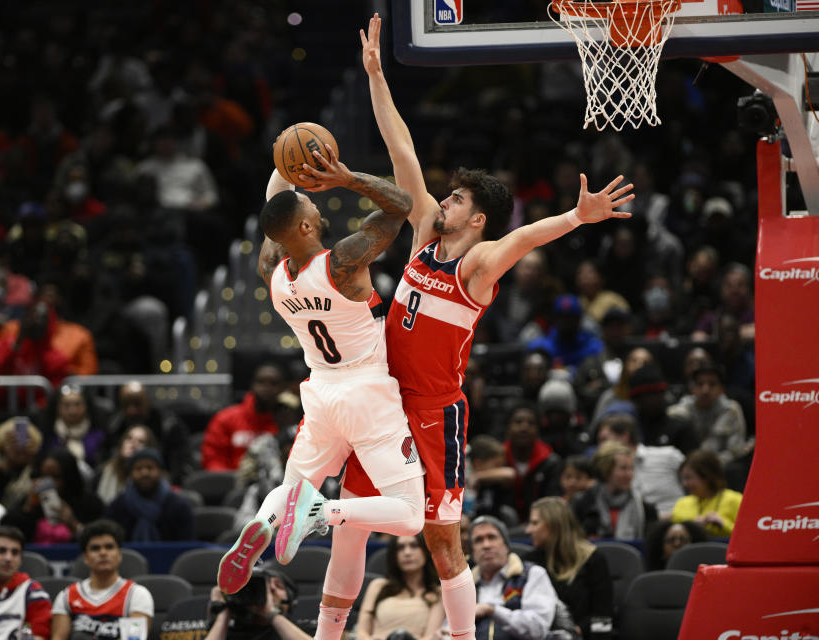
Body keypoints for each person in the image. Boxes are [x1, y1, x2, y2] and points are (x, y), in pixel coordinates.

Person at [335, 15, 634, 639]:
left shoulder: (476, 265)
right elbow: (403, 153)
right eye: (449, 196)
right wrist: (375, 76)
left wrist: (575, 219)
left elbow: (523, 235)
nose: (445, 201)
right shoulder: (422, 240)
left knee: (443, 541)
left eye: (458, 200)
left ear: (477, 220)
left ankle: (461, 637)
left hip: (435, 412)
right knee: (355, 529)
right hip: (383, 403)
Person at [217, 147, 427, 640]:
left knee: (290, 490)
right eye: (311, 206)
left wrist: (285, 164)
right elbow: (400, 205)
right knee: (411, 516)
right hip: (367, 391)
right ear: (307, 228)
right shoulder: (343, 263)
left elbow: (277, 201)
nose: (317, 205)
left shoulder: (273, 272)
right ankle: (324, 511)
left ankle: (265, 523)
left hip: (320, 392)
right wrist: (344, 176)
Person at [524, 498, 613, 640]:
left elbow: (604, 619)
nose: (528, 530)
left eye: (535, 523)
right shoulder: (530, 562)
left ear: (554, 525)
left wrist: (575, 632)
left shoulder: (594, 561)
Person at [50, 519, 154, 640]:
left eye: (109, 547)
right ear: (85, 557)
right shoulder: (67, 596)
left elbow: (134, 638)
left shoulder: (137, 594)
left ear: (119, 554)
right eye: (95, 548)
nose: (103, 552)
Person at [468, 516, 557, 640]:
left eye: (492, 537)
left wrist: (492, 610)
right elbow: (450, 627)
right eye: (478, 540)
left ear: (506, 545)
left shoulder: (532, 574)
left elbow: (537, 628)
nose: (486, 545)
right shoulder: (464, 586)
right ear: (472, 552)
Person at [0, 448, 103, 544]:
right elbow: (5, 531)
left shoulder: (89, 503)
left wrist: (75, 525)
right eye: (43, 476)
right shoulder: (32, 500)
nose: (48, 483)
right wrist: (28, 509)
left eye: (55, 477)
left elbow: (102, 539)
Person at [355, 534, 445, 640]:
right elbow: (361, 632)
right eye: (400, 548)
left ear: (426, 550)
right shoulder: (378, 586)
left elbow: (431, 636)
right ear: (394, 554)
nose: (407, 552)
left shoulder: (438, 592)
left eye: (414, 545)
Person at [201, 364, 285, 471]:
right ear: (252, 385)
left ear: (283, 388)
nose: (266, 388)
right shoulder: (225, 418)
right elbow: (213, 459)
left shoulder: (288, 421)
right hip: (230, 483)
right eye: (261, 382)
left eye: (273, 383)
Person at [104, 448, 196, 541]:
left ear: (160, 472)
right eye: (138, 469)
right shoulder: (117, 507)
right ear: (131, 474)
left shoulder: (179, 507)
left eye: (150, 468)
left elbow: (187, 545)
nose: (144, 473)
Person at [667, 360, 748, 465]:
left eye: (712, 384)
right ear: (692, 388)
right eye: (700, 384)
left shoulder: (731, 410)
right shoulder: (678, 412)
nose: (705, 390)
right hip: (686, 467)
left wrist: (709, 465)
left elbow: (735, 451)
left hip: (720, 468)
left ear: (721, 389)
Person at [570, 441, 655, 539]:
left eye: (631, 468)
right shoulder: (582, 503)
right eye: (623, 468)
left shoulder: (646, 509)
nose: (629, 474)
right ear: (606, 470)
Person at [205, 563, 312, 640]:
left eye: (278, 585)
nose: (271, 590)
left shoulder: (304, 629)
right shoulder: (226, 633)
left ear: (291, 597)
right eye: (255, 589)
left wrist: (272, 614)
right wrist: (224, 612)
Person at [671, 449, 743, 537]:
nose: (685, 484)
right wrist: (692, 527)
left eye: (689, 478)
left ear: (707, 476)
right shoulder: (681, 504)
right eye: (683, 478)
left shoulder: (736, 500)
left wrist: (723, 524)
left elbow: (746, 536)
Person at [0, 417, 44, 508]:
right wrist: (7, 462)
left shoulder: (40, 470)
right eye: (12, 442)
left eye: (25, 439)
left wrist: (32, 458)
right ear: (3, 446)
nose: (19, 446)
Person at [94, 425, 158, 504]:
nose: (133, 444)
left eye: (141, 441)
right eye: (129, 439)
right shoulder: (103, 471)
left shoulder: (152, 478)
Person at [643, 520, 707, 572]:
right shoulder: (652, 579)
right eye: (671, 540)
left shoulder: (703, 576)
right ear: (661, 547)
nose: (677, 543)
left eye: (683, 540)